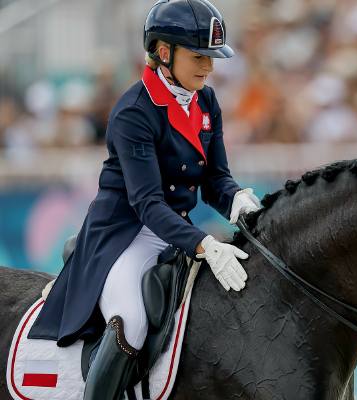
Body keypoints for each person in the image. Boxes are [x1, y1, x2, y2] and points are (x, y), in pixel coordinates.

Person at [27, 1, 261, 398]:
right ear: (164, 52)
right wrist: (205, 244)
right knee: (131, 321)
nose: (208, 67)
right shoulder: (134, 112)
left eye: (212, 58)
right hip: (125, 235)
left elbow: (215, 178)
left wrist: (238, 201)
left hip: (174, 234)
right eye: (198, 56)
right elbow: (147, 204)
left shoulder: (206, 102)